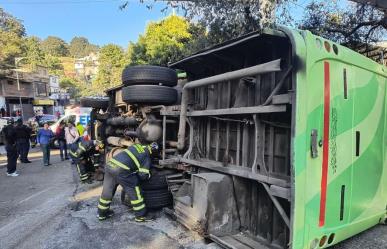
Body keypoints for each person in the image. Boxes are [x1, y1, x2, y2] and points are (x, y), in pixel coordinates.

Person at [97, 142, 158, 222]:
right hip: (121, 170)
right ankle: (141, 216)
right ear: (153, 152)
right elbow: (143, 175)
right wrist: (149, 174)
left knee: (107, 191)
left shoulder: (137, 145)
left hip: (110, 165)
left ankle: (102, 214)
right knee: (134, 188)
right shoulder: (147, 156)